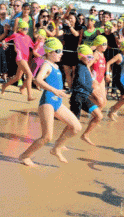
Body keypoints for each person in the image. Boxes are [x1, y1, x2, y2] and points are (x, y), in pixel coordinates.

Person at [18, 38, 82, 166]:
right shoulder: (46, 64)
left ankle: (56, 148)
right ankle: (24, 156)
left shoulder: (56, 66)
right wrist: (55, 90)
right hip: (47, 102)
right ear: (49, 52)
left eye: (61, 51)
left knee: (76, 127)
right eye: (58, 51)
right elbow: (38, 80)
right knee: (47, 137)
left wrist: (59, 91)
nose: (61, 53)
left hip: (57, 102)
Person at [70, 45, 103, 146]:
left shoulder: (85, 66)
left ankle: (85, 135)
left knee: (99, 116)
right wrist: (91, 90)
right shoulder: (80, 66)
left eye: (91, 57)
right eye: (88, 57)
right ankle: (60, 144)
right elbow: (79, 81)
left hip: (84, 97)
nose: (90, 59)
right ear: (81, 56)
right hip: (78, 97)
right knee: (74, 125)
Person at [1, 19, 35, 101]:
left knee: (17, 77)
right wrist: (4, 44)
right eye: (25, 29)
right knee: (29, 75)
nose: (27, 30)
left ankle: (5, 85)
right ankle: (29, 95)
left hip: (25, 59)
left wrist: (41, 41)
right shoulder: (15, 35)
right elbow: (4, 40)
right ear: (20, 29)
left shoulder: (28, 37)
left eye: (27, 29)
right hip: (20, 58)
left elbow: (34, 47)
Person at [105, 40, 124, 120]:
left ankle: (113, 111)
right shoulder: (119, 56)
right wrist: (107, 74)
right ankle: (112, 109)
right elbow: (108, 63)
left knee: (123, 97)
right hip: (118, 79)